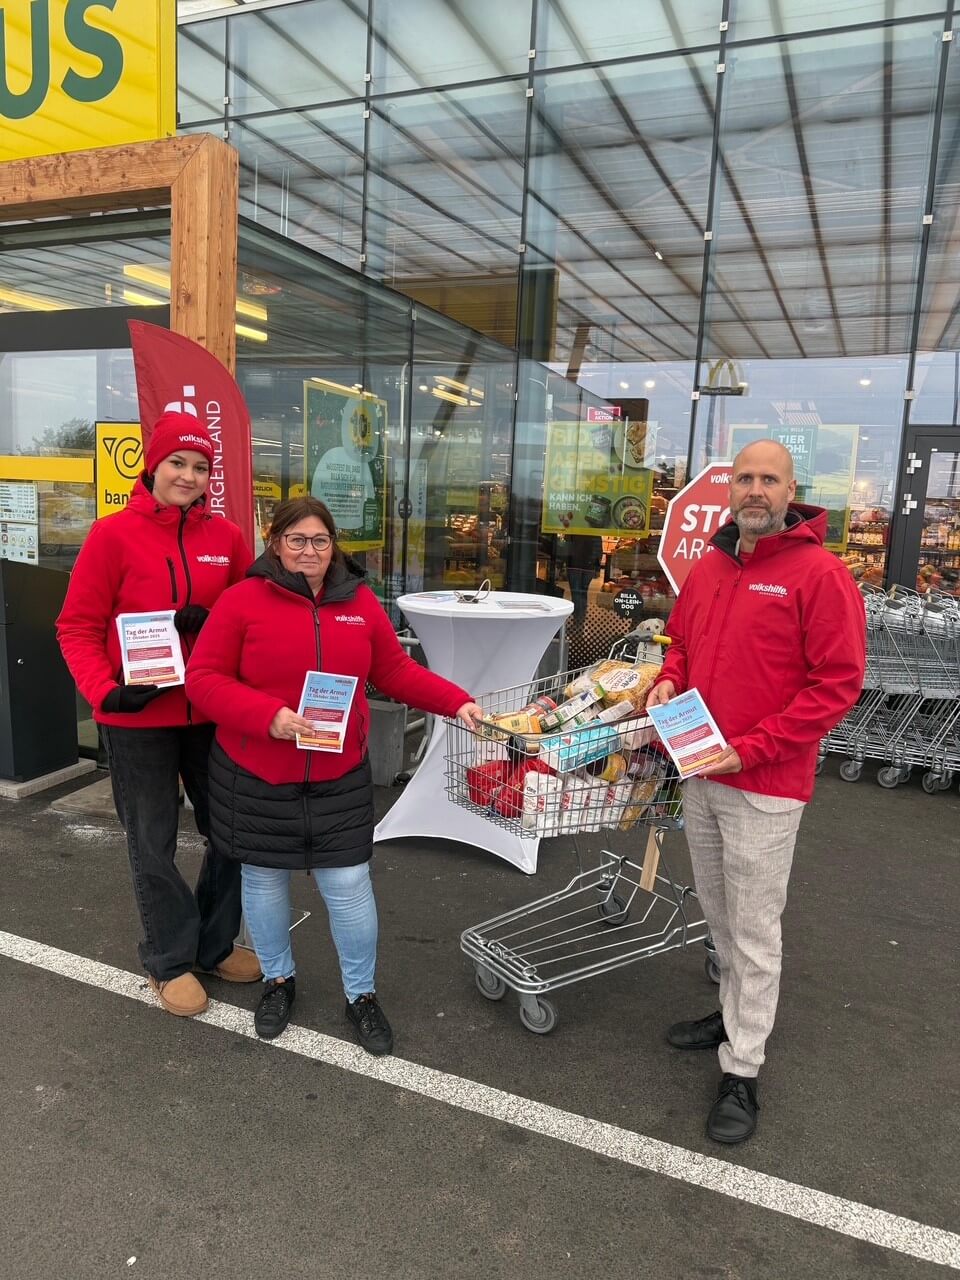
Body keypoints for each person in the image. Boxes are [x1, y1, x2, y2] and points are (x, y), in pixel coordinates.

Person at [185, 497, 484, 1055]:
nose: (309, 551)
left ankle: (361, 994)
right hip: (257, 772)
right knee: (264, 881)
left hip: (338, 773)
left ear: (333, 546)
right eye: (296, 540)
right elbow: (203, 678)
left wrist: (457, 702)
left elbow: (394, 669)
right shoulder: (241, 600)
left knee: (348, 886)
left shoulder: (359, 601)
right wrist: (267, 716)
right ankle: (278, 980)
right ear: (275, 544)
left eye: (320, 540)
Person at [646, 440, 865, 1144]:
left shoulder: (820, 575)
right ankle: (733, 1015)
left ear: (791, 491)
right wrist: (669, 680)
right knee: (718, 912)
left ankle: (742, 1069)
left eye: (769, 479)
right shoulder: (711, 565)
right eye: (745, 477)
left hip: (765, 784)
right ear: (729, 489)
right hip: (702, 772)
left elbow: (837, 684)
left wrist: (755, 747)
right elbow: (681, 644)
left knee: (754, 929)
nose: (755, 490)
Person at [56, 412, 260, 1018]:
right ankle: (168, 958)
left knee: (232, 832)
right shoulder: (111, 536)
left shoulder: (227, 538)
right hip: (136, 719)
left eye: (200, 467)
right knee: (153, 842)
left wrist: (214, 620)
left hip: (212, 714)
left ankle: (213, 944)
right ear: (153, 465)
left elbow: (251, 616)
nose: (188, 476)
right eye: (177, 463)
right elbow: (76, 626)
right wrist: (105, 692)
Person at [566, 535, 603, 622]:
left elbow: (567, 546)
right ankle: (581, 617)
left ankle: (577, 618)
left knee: (576, 593)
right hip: (589, 567)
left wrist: (563, 562)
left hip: (574, 565)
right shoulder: (595, 532)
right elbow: (598, 550)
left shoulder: (573, 530)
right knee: (583, 592)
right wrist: (597, 568)